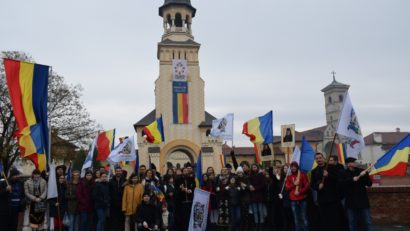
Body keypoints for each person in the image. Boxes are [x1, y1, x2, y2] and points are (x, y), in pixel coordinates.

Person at [311, 154, 344, 231]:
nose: (319, 159)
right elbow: (312, 184)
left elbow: (338, 179)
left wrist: (328, 175)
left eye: (320, 158)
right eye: (317, 158)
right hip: (322, 199)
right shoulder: (314, 171)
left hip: (333, 198)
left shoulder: (331, 167)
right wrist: (317, 187)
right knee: (325, 218)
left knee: (335, 218)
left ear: (324, 158)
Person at [341, 157, 374, 231]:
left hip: (362, 200)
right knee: (352, 221)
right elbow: (341, 184)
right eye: (353, 162)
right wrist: (352, 179)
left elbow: (369, 184)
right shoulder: (343, 173)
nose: (355, 163)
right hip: (350, 201)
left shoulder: (361, 171)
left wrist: (365, 175)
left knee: (367, 221)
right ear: (348, 164)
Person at [285, 161, 309, 231]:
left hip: (302, 199)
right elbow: (287, 188)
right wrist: (294, 184)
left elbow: (307, 186)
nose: (293, 168)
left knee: (304, 217)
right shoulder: (289, 177)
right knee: (296, 218)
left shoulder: (302, 175)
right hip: (293, 200)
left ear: (297, 167)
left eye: (294, 166)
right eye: (292, 167)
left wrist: (300, 192)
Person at [248, 164, 266, 230]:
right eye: (252, 167)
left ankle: (261, 224)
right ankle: (256, 224)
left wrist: (255, 188)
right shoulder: (250, 175)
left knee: (260, 210)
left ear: (257, 168)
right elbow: (248, 182)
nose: (254, 168)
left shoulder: (261, 175)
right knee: (255, 211)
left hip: (259, 196)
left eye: (255, 167)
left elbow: (263, 185)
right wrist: (249, 186)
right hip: (253, 196)